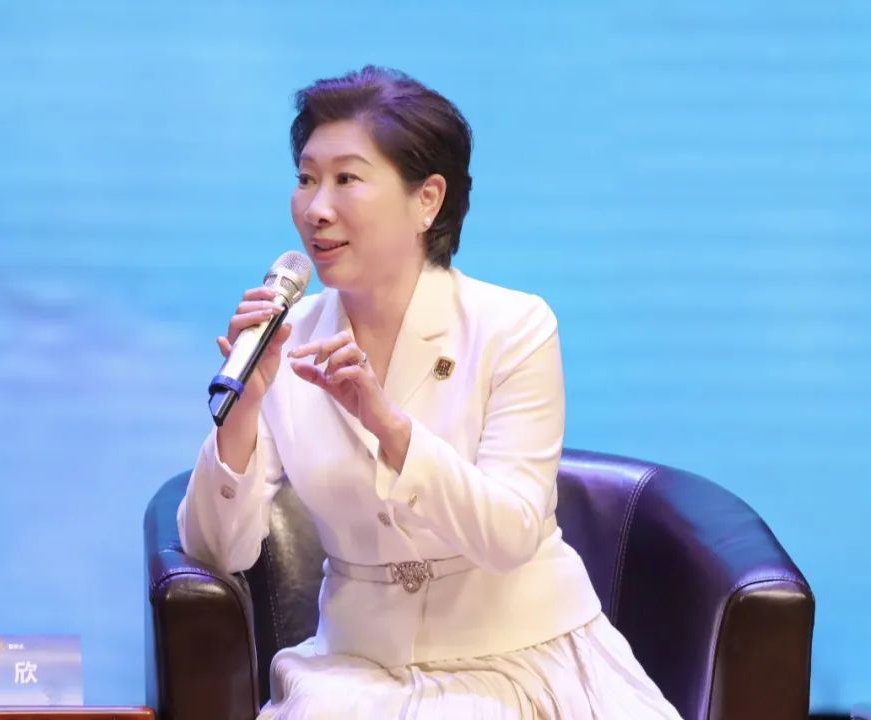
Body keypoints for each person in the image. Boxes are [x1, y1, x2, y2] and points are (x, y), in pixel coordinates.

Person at [178, 66, 682, 719]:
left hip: (527, 658)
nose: (316, 208)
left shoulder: (514, 327)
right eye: (305, 178)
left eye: (347, 179)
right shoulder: (285, 340)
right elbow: (216, 552)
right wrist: (243, 412)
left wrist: (392, 429)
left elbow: (510, 535)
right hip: (357, 672)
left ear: (428, 200)